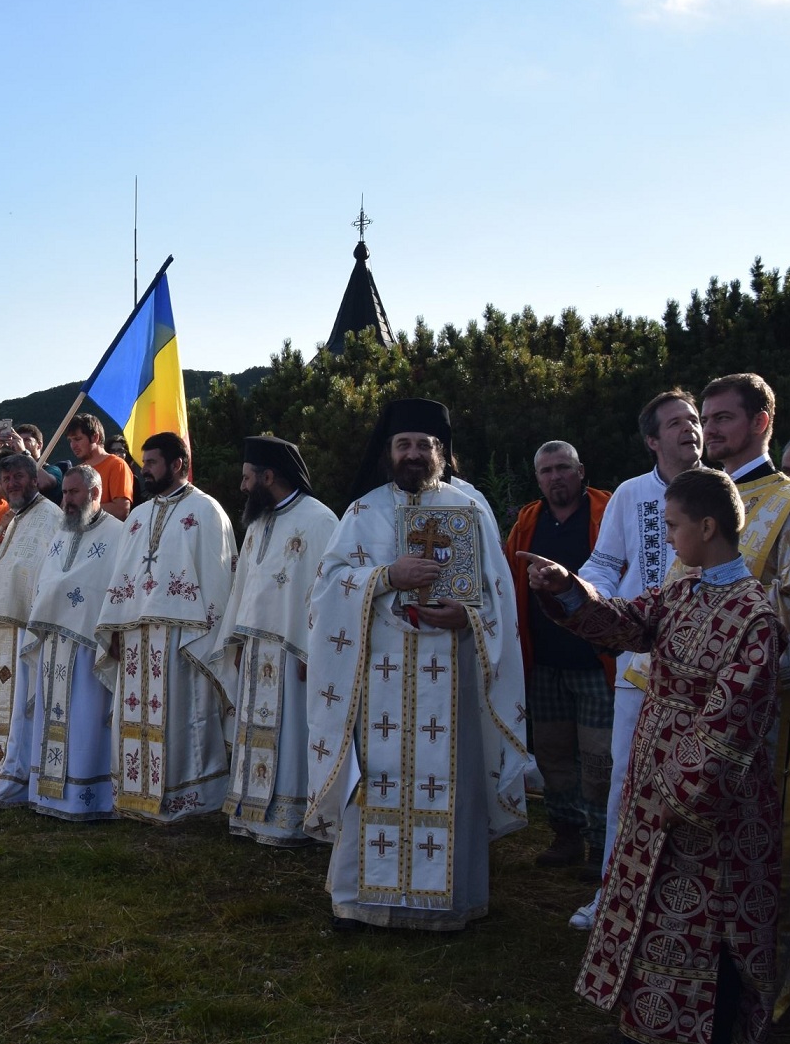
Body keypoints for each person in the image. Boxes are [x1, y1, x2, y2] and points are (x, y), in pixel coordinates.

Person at [522, 467, 783, 1044]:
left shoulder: (754, 615)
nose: (666, 539)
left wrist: (678, 792)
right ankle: (645, 1039)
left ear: (707, 527)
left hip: (711, 805)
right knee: (646, 913)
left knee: (704, 930)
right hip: (656, 780)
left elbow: (732, 721)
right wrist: (569, 589)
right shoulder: (683, 588)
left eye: (670, 527)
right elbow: (626, 622)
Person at [304, 399, 528, 932]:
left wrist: (468, 618)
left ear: (442, 453)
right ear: (389, 452)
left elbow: (498, 596)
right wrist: (386, 576)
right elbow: (327, 589)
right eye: (403, 444)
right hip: (378, 678)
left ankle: (447, 904)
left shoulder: (470, 509)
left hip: (452, 677)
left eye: (424, 445)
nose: (413, 454)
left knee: (448, 784)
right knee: (376, 780)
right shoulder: (362, 512)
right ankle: (362, 900)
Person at [697, 373, 790, 1016]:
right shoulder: (707, 500)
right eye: (705, 418)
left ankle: (757, 990)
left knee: (762, 863)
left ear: (761, 422)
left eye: (724, 417)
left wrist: (728, 678)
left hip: (763, 732)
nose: (710, 430)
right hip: (698, 724)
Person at [571, 390, 704, 930]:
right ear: (653, 439)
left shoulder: (723, 491)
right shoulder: (630, 494)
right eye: (675, 423)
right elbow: (603, 566)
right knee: (629, 779)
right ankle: (614, 895)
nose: (689, 429)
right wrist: (585, 598)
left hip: (709, 669)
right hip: (641, 666)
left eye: (693, 420)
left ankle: (689, 905)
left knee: (699, 784)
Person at [92, 432, 237, 821]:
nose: (144, 472)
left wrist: (210, 635)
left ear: (177, 464)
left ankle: (188, 797)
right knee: (136, 715)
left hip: (184, 639)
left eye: (152, 463)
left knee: (181, 718)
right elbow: (121, 576)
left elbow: (219, 577)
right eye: (142, 464)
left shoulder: (207, 511)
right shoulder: (137, 516)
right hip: (136, 638)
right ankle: (134, 795)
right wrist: (116, 630)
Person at [213, 435, 338, 846]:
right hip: (255, 648)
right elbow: (243, 587)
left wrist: (316, 648)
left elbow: (330, 592)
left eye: (248, 478)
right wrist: (236, 639)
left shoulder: (320, 521)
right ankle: (251, 811)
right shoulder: (258, 522)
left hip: (293, 651)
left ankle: (288, 817)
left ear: (269, 476)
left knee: (292, 733)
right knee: (255, 731)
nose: (244, 487)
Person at [502, 441, 614, 876]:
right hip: (544, 661)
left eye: (563, 468)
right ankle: (565, 835)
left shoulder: (605, 512)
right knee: (552, 756)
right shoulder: (527, 522)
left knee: (599, 758)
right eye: (547, 471)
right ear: (538, 478)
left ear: (581, 471)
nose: (556, 477)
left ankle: (600, 843)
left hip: (594, 658)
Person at [22, 466, 122, 820]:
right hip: (54, 642)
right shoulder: (62, 532)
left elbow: (114, 590)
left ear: (94, 494)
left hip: (87, 646)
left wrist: (114, 633)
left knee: (85, 721)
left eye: (74, 493)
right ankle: (47, 796)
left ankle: (87, 797)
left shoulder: (117, 535)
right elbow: (47, 579)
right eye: (64, 493)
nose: (66, 501)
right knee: (54, 715)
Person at [0, 452, 62, 807]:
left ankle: (20, 777)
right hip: (4, 626)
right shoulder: (14, 519)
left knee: (23, 706)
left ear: (34, 479)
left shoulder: (51, 518)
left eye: (18, 478)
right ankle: (1, 773)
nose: (12, 484)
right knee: (5, 706)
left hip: (29, 627)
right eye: (7, 479)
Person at [67, 415, 135, 521]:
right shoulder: (76, 471)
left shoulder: (117, 465)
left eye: (77, 439)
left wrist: (82, 508)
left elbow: (121, 511)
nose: (73, 445)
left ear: (95, 437)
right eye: (70, 440)